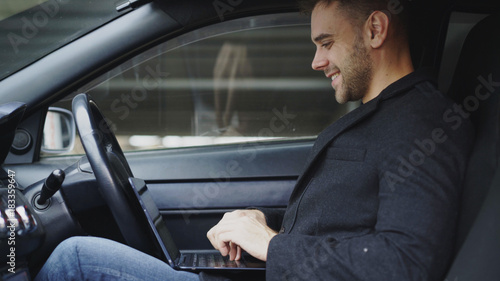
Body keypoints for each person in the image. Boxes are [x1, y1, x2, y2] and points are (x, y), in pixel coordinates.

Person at [35, 0, 474, 280]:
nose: (316, 61)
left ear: (375, 30)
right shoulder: (382, 114)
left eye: (326, 42)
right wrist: (262, 226)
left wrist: (271, 244)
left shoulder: (424, 123)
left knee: (77, 260)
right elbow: (347, 223)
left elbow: (407, 262)